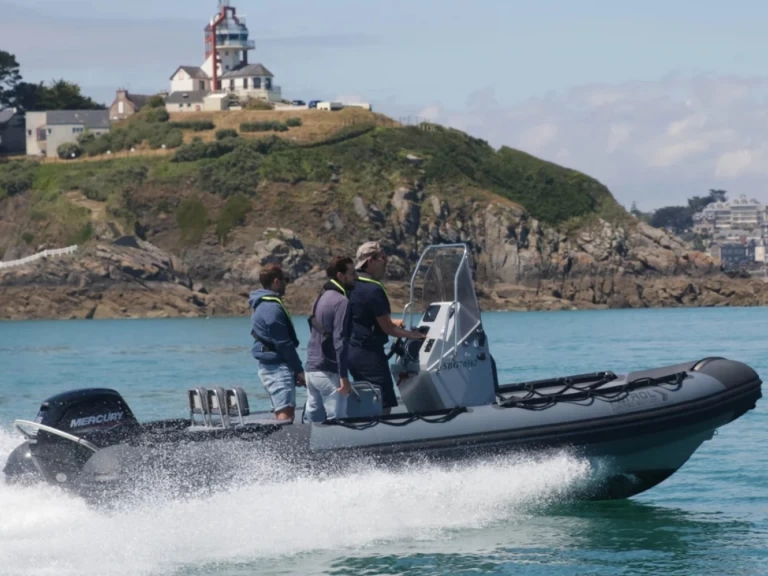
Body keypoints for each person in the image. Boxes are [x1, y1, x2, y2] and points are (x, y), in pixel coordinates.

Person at [349, 241, 425, 414]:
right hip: (369, 355)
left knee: (366, 398)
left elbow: (361, 316)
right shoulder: (373, 289)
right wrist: (415, 335)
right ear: (370, 261)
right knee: (383, 402)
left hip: (351, 351)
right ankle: (380, 437)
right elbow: (388, 330)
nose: (387, 261)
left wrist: (393, 322)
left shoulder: (351, 284)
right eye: (383, 257)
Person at [248, 263, 305, 422]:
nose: (287, 283)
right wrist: (299, 370)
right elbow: (284, 343)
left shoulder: (261, 304)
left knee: (283, 411)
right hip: (277, 369)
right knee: (285, 415)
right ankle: (285, 446)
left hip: (272, 366)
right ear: (276, 281)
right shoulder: (271, 308)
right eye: (285, 279)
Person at [304, 256, 358, 422]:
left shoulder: (320, 297)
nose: (356, 277)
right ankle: (339, 449)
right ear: (341, 276)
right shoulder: (342, 302)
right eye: (352, 273)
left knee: (313, 418)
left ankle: (304, 448)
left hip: (311, 370)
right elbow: (339, 340)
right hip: (328, 372)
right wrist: (344, 376)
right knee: (338, 419)